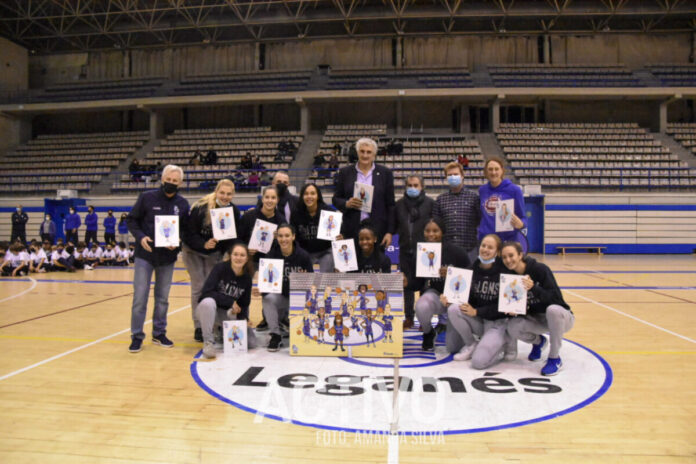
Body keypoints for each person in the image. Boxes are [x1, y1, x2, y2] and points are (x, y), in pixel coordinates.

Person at [127, 164, 189, 353]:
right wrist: (140, 237)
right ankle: (137, 335)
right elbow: (132, 220)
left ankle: (159, 333)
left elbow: (186, 231)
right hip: (145, 255)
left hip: (167, 258)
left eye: (175, 181)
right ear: (162, 180)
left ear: (180, 183)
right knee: (140, 297)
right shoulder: (147, 197)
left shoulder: (183, 204)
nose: (171, 183)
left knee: (162, 298)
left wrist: (178, 242)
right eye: (168, 180)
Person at [502, 241, 575, 376]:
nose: (508, 260)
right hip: (537, 320)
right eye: (504, 257)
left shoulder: (540, 270)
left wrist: (534, 288)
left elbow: (556, 300)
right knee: (512, 326)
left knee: (553, 310)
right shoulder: (509, 278)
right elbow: (524, 306)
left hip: (561, 318)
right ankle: (539, 342)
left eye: (511, 255)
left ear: (520, 255)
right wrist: (515, 310)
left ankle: (554, 358)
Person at [183, 179, 241, 343]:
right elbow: (189, 233)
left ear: (233, 195)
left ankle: (213, 324)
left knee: (212, 289)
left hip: (213, 253)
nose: (225, 196)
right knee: (198, 287)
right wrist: (203, 244)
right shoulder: (201, 207)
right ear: (216, 192)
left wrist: (229, 254)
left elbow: (232, 237)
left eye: (229, 194)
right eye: (222, 193)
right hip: (192, 251)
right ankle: (199, 327)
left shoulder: (233, 211)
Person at [445, 234, 513, 370]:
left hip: (497, 322)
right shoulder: (471, 270)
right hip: (481, 320)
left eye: (490, 247)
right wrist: (450, 299)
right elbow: (466, 298)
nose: (485, 249)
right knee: (453, 309)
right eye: (483, 245)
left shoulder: (506, 273)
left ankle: (506, 341)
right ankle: (471, 344)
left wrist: (477, 311)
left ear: (497, 252)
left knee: (478, 362)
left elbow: (504, 307)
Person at [413, 218, 471, 351]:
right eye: (427, 231)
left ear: (442, 232)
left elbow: (470, 276)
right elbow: (417, 283)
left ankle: (466, 330)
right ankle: (428, 332)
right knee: (421, 306)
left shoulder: (456, 251)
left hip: (455, 301)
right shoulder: (422, 252)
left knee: (453, 348)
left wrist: (452, 274)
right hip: (437, 296)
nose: (431, 234)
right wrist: (406, 282)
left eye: (435, 231)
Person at [332, 137, 395, 248]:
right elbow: (336, 199)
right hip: (351, 230)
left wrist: (389, 232)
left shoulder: (385, 173)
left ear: (374, 154)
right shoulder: (345, 172)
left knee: (376, 264)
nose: (365, 155)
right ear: (357, 152)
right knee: (353, 265)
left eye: (369, 152)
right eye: (362, 151)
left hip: (377, 230)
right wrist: (346, 203)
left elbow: (390, 205)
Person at [196, 243, 255, 359]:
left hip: (229, 314)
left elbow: (244, 304)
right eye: (235, 254)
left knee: (251, 343)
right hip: (210, 311)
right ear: (230, 256)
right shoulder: (220, 268)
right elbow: (206, 293)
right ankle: (208, 342)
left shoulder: (247, 278)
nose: (238, 258)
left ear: (247, 258)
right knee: (208, 302)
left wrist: (245, 320)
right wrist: (230, 302)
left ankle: (222, 332)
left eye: (242, 255)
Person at [262, 223, 314, 352]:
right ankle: (275, 335)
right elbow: (267, 287)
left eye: (287, 235)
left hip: (298, 298)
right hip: (281, 296)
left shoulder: (303, 256)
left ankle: (300, 328)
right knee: (267, 299)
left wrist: (301, 281)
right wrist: (261, 290)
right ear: (276, 237)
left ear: (293, 237)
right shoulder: (271, 255)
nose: (283, 239)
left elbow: (312, 285)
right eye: (280, 236)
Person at [394, 175, 435, 329]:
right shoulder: (399, 205)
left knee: (425, 286)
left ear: (422, 187)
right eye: (409, 185)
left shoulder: (431, 204)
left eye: (416, 185)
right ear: (405, 187)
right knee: (406, 286)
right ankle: (409, 317)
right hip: (405, 250)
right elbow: (393, 225)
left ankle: (425, 319)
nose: (412, 188)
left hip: (425, 252)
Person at [433, 161, 480, 254]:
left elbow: (480, 220)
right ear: (446, 177)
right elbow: (437, 225)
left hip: (469, 249)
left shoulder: (474, 197)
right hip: (448, 250)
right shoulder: (440, 199)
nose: (453, 177)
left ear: (462, 176)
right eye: (450, 175)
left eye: (455, 174)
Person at [478, 157, 527, 243]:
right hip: (486, 240)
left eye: (496, 169)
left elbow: (523, 218)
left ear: (502, 171)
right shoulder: (482, 190)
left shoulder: (514, 190)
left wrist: (521, 224)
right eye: (490, 169)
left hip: (507, 240)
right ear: (486, 172)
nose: (493, 172)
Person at [291, 183, 334, 273]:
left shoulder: (329, 212)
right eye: (306, 194)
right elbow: (295, 237)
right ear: (302, 196)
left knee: (324, 281)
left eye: (312, 193)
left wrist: (339, 235)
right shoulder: (295, 214)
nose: (309, 196)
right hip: (306, 253)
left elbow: (336, 235)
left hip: (325, 251)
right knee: (306, 282)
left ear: (318, 196)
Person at [240, 186, 284, 267]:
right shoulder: (248, 216)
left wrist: (279, 239)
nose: (270, 200)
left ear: (277, 200)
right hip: (250, 262)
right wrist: (246, 248)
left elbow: (285, 246)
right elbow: (238, 239)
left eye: (273, 198)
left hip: (272, 263)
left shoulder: (282, 221)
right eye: (267, 197)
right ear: (262, 199)